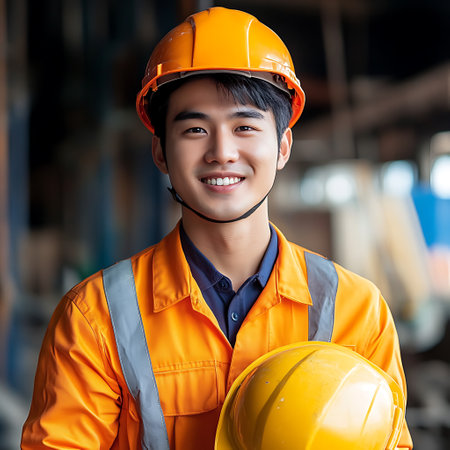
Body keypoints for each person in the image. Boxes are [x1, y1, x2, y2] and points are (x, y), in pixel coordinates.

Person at [21, 6, 413, 449]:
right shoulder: (97, 318)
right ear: (161, 151)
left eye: (245, 126)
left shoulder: (356, 312)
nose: (222, 152)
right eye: (194, 130)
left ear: (283, 145)